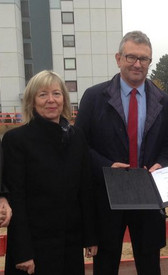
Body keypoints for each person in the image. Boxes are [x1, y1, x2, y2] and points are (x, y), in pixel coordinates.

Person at [75, 30, 168, 275]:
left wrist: (161, 164)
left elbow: (166, 146)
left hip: (148, 194)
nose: (137, 64)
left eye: (144, 59)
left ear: (150, 62)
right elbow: (79, 146)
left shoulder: (163, 100)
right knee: (106, 263)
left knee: (149, 263)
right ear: (118, 58)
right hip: (107, 194)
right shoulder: (94, 97)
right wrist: (106, 167)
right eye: (131, 57)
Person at [2, 70, 97, 275]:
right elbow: (16, 198)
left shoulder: (76, 137)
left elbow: (85, 189)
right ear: (32, 101)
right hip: (34, 249)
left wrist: (90, 237)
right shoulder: (16, 141)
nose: (51, 100)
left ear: (64, 98)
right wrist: (22, 252)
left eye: (56, 93)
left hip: (69, 244)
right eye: (43, 94)